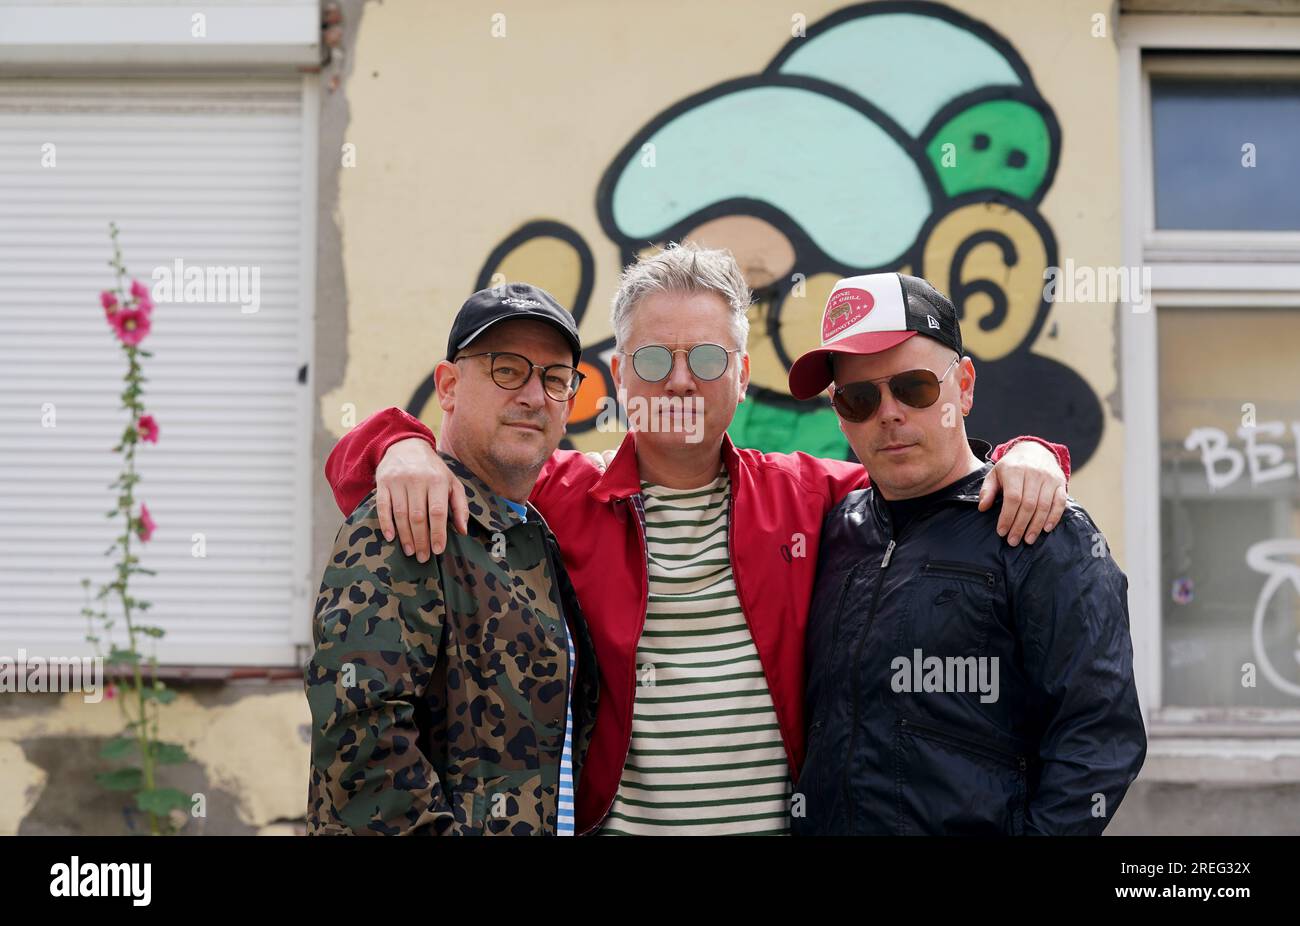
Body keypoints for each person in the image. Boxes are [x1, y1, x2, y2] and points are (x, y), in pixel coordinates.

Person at [324, 242, 1072, 835]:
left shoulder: (815, 498)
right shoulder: (551, 497)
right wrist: (399, 445)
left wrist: (1029, 455)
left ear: (742, 375)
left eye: (707, 359)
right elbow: (395, 477)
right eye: (654, 360)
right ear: (621, 379)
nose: (680, 381)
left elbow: (932, 481)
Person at [786, 272, 1146, 835]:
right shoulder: (831, 531)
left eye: (914, 387)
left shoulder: (1041, 531)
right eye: (859, 398)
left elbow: (1099, 739)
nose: (889, 414)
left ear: (965, 386)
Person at [304, 284, 598, 835]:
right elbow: (363, 747)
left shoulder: (531, 534)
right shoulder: (409, 516)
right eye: (507, 369)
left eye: (554, 378)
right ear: (449, 386)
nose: (534, 395)